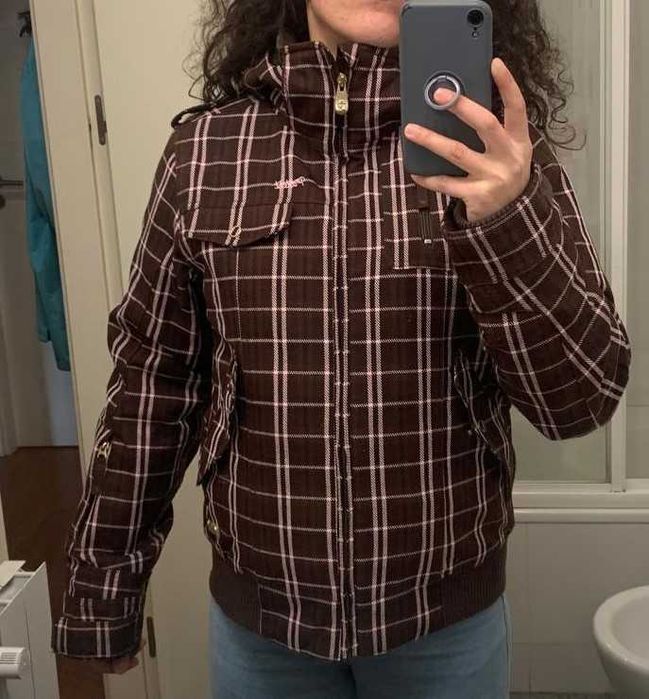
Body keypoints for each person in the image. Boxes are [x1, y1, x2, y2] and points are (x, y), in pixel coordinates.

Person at [51, 0, 631, 697]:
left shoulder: (495, 150)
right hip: (263, 630)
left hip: (445, 625)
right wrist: (104, 585)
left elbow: (580, 401)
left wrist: (506, 218)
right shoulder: (204, 154)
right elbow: (154, 379)